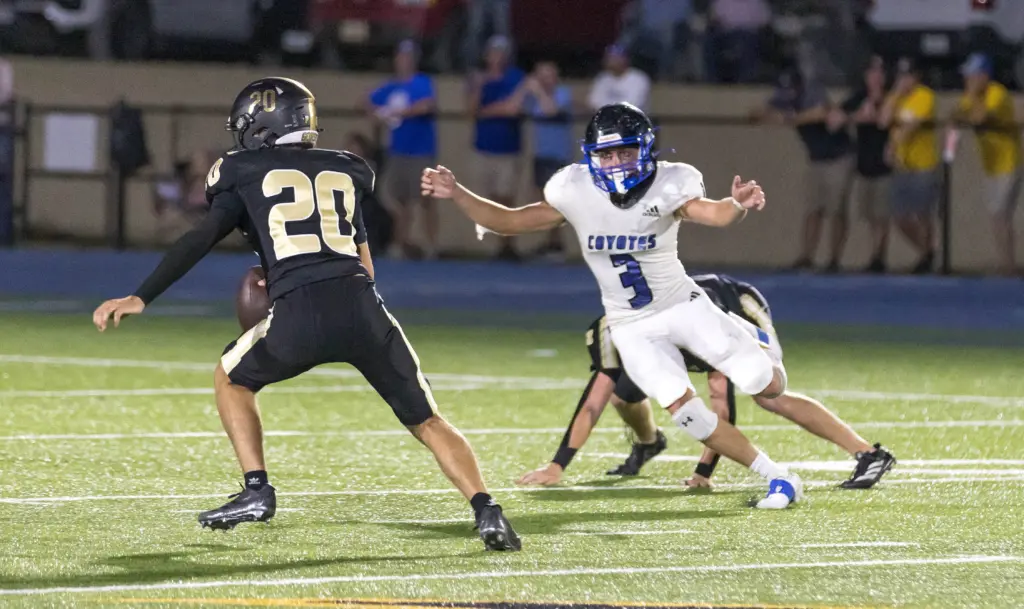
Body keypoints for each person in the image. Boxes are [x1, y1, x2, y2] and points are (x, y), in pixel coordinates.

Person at [91, 77, 521, 551]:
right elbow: (365, 266)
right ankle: (488, 510)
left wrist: (142, 296)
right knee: (428, 420)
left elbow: (200, 238)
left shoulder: (241, 169)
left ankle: (256, 489)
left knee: (230, 378)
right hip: (363, 307)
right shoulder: (346, 169)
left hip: (300, 310)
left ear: (264, 125)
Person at [424, 102, 804, 509]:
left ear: (646, 149)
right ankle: (779, 477)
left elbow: (712, 213)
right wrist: (457, 193)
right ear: (592, 157)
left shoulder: (669, 183)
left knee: (766, 385)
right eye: (607, 154)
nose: (617, 163)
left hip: (681, 305)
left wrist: (736, 205)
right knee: (687, 414)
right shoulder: (575, 190)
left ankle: (751, 335)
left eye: (626, 152)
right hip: (631, 325)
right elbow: (509, 221)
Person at [517, 273, 896, 490]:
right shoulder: (611, 329)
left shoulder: (695, 320)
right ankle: (649, 443)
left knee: (768, 395)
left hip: (735, 307)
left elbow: (720, 406)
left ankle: (867, 454)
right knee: (623, 393)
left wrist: (703, 471)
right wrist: (557, 467)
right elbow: (593, 403)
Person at [753, 68, 853, 272]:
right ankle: (806, 256)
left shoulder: (812, 92)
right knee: (813, 208)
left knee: (836, 209)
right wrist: (776, 116)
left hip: (838, 157)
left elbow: (822, 112)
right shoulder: (784, 97)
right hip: (816, 159)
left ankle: (834, 260)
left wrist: (793, 118)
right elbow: (757, 113)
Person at [950, 53, 1021, 276]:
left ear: (984, 76)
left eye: (972, 76)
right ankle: (1005, 262)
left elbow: (980, 118)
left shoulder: (996, 93)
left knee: (1001, 214)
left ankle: (1009, 265)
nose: (968, 81)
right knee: (996, 216)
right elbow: (955, 114)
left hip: (1008, 163)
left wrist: (971, 99)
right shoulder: (972, 96)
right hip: (991, 164)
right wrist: (965, 108)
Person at [368, 40, 439, 260]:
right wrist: (379, 112)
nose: (404, 61)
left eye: (408, 57)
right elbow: (365, 101)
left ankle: (431, 245)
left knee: (426, 200)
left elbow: (427, 105)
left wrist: (398, 112)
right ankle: (400, 243)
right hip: (398, 151)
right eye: (401, 57)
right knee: (400, 201)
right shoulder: (390, 86)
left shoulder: (422, 82)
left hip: (421, 151)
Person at [468, 35, 525, 261]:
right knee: (491, 199)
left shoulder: (515, 78)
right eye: (493, 52)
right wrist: (480, 86)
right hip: (484, 147)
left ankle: (509, 245)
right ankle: (499, 244)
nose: (497, 57)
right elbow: (471, 111)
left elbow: (513, 109)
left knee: (507, 198)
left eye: (501, 52)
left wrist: (486, 111)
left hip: (508, 148)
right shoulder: (479, 79)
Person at [879, 58, 939, 274]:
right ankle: (927, 251)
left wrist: (893, 146)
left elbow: (912, 126)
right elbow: (883, 121)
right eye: (902, 76)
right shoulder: (896, 98)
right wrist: (895, 94)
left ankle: (926, 258)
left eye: (909, 76)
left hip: (923, 164)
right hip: (902, 165)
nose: (905, 80)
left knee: (922, 213)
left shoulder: (925, 96)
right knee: (900, 216)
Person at [839, 55, 892, 273]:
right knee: (869, 213)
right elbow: (836, 118)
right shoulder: (859, 98)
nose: (876, 77)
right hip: (864, 163)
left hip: (885, 166)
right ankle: (874, 253)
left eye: (880, 73)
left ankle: (878, 256)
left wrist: (873, 114)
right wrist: (857, 116)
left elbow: (885, 120)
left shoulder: (891, 97)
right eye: (872, 73)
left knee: (881, 213)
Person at [522, 61, 574, 261]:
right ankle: (552, 242)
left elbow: (550, 110)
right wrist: (522, 89)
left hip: (558, 156)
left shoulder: (563, 94)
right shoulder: (533, 97)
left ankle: (558, 245)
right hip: (540, 154)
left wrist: (537, 91)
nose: (545, 80)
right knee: (544, 202)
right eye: (541, 76)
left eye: (549, 76)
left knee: (556, 202)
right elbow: (515, 107)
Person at [588, 45, 651, 112]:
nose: (610, 61)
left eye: (614, 57)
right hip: (606, 117)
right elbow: (593, 103)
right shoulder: (602, 78)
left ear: (625, 59)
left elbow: (633, 105)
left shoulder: (639, 78)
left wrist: (607, 108)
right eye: (608, 57)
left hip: (632, 117)